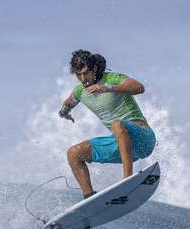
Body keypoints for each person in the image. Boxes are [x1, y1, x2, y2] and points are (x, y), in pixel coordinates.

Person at [59, 50, 156, 199]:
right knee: (73, 153)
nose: (83, 78)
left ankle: (127, 181)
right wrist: (64, 113)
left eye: (86, 73)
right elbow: (68, 103)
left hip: (143, 138)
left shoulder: (112, 78)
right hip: (120, 145)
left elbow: (139, 87)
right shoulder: (80, 91)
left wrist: (107, 88)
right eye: (78, 75)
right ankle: (89, 198)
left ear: (95, 69)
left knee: (117, 125)